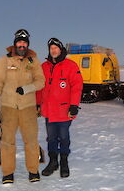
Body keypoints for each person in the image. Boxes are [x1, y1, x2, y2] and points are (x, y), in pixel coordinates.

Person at [0, 29, 45, 184]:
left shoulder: (33, 60)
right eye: (19, 42)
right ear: (15, 43)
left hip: (28, 108)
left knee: (31, 140)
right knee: (7, 141)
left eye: (24, 42)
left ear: (27, 44)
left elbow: (41, 81)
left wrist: (27, 89)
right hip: (8, 107)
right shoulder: (4, 60)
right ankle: (8, 173)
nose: (22, 44)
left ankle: (33, 171)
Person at [36, 38, 83, 178]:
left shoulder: (71, 66)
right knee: (51, 138)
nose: (53, 50)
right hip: (49, 111)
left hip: (64, 111)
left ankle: (64, 162)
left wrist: (74, 105)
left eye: (56, 48)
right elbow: (39, 88)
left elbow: (77, 86)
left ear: (61, 49)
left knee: (63, 137)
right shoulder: (44, 67)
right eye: (51, 48)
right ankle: (53, 162)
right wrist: (38, 104)